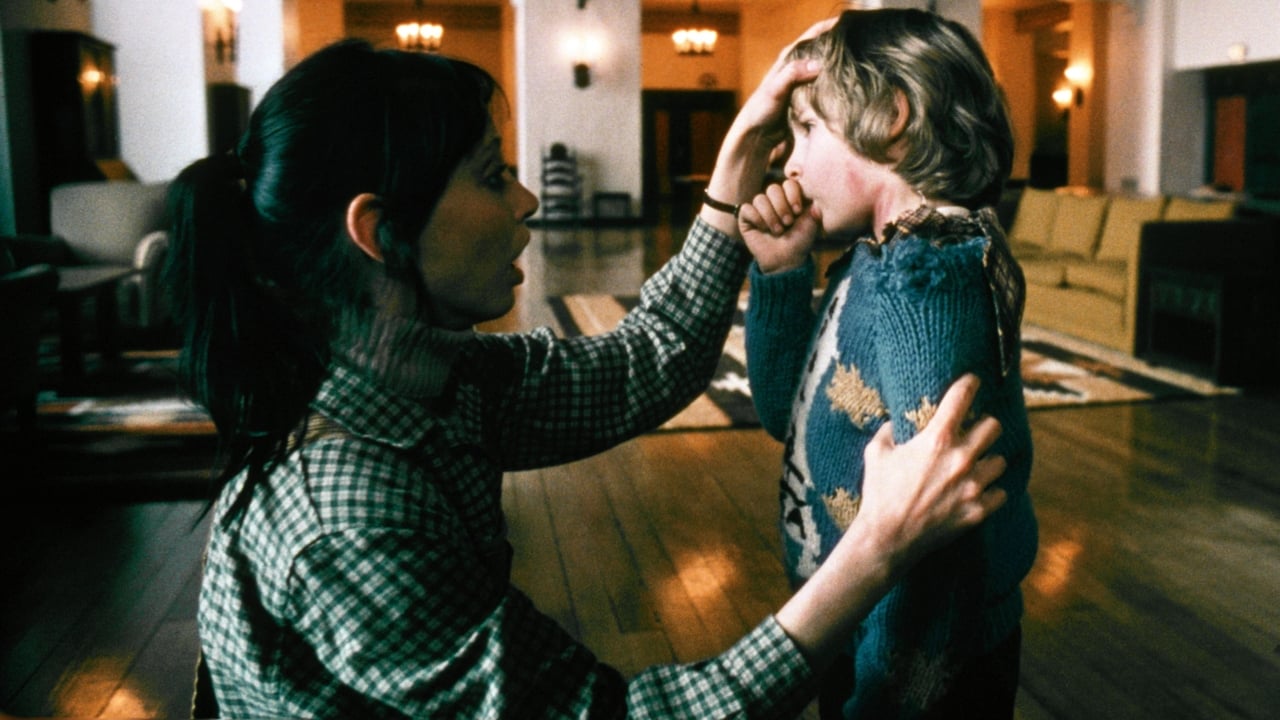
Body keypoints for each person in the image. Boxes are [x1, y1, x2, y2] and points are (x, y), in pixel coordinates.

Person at [168, 22, 1010, 720]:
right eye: (492, 176)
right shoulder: (345, 518)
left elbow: (644, 360)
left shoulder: (433, 382)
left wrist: (737, 160)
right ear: (379, 233)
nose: (527, 200)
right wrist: (873, 553)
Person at [737, 9, 1038, 719]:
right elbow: (787, 413)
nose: (788, 162)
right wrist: (781, 272)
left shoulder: (926, 289)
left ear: (891, 118)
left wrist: (887, 697)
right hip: (858, 623)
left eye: (807, 129)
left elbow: (937, 547)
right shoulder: (876, 261)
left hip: (912, 658)